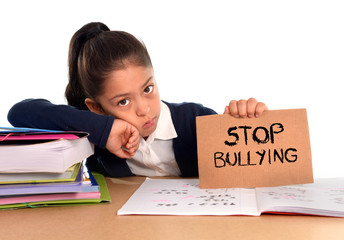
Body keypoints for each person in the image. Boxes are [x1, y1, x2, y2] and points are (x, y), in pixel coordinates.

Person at [7, 22, 268, 177]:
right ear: (96, 108)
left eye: (147, 89)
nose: (144, 109)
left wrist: (249, 120)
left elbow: (256, 167)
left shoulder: (195, 120)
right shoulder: (96, 136)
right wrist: (104, 130)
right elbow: (19, 112)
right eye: (123, 102)